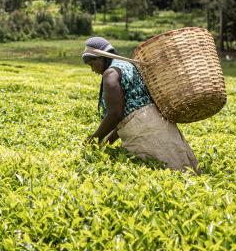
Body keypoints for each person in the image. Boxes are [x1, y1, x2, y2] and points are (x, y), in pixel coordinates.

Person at [82, 36, 200, 173]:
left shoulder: (110, 73)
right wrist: (108, 141)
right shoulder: (129, 66)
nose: (92, 70)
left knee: (161, 174)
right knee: (183, 168)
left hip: (142, 131)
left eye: (92, 64)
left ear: (101, 58)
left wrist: (93, 139)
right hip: (159, 122)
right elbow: (128, 113)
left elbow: (116, 114)